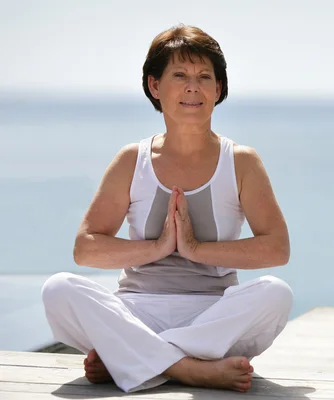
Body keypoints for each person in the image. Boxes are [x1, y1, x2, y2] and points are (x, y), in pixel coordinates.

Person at [41, 24, 293, 394]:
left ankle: (132, 359)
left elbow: (277, 248)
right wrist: (157, 248)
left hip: (212, 315)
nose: (193, 86)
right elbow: (86, 248)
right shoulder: (132, 159)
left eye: (205, 76)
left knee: (277, 293)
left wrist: (196, 250)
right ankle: (191, 369)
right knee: (58, 289)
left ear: (218, 89)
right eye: (180, 75)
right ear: (155, 86)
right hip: (136, 314)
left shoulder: (241, 161)